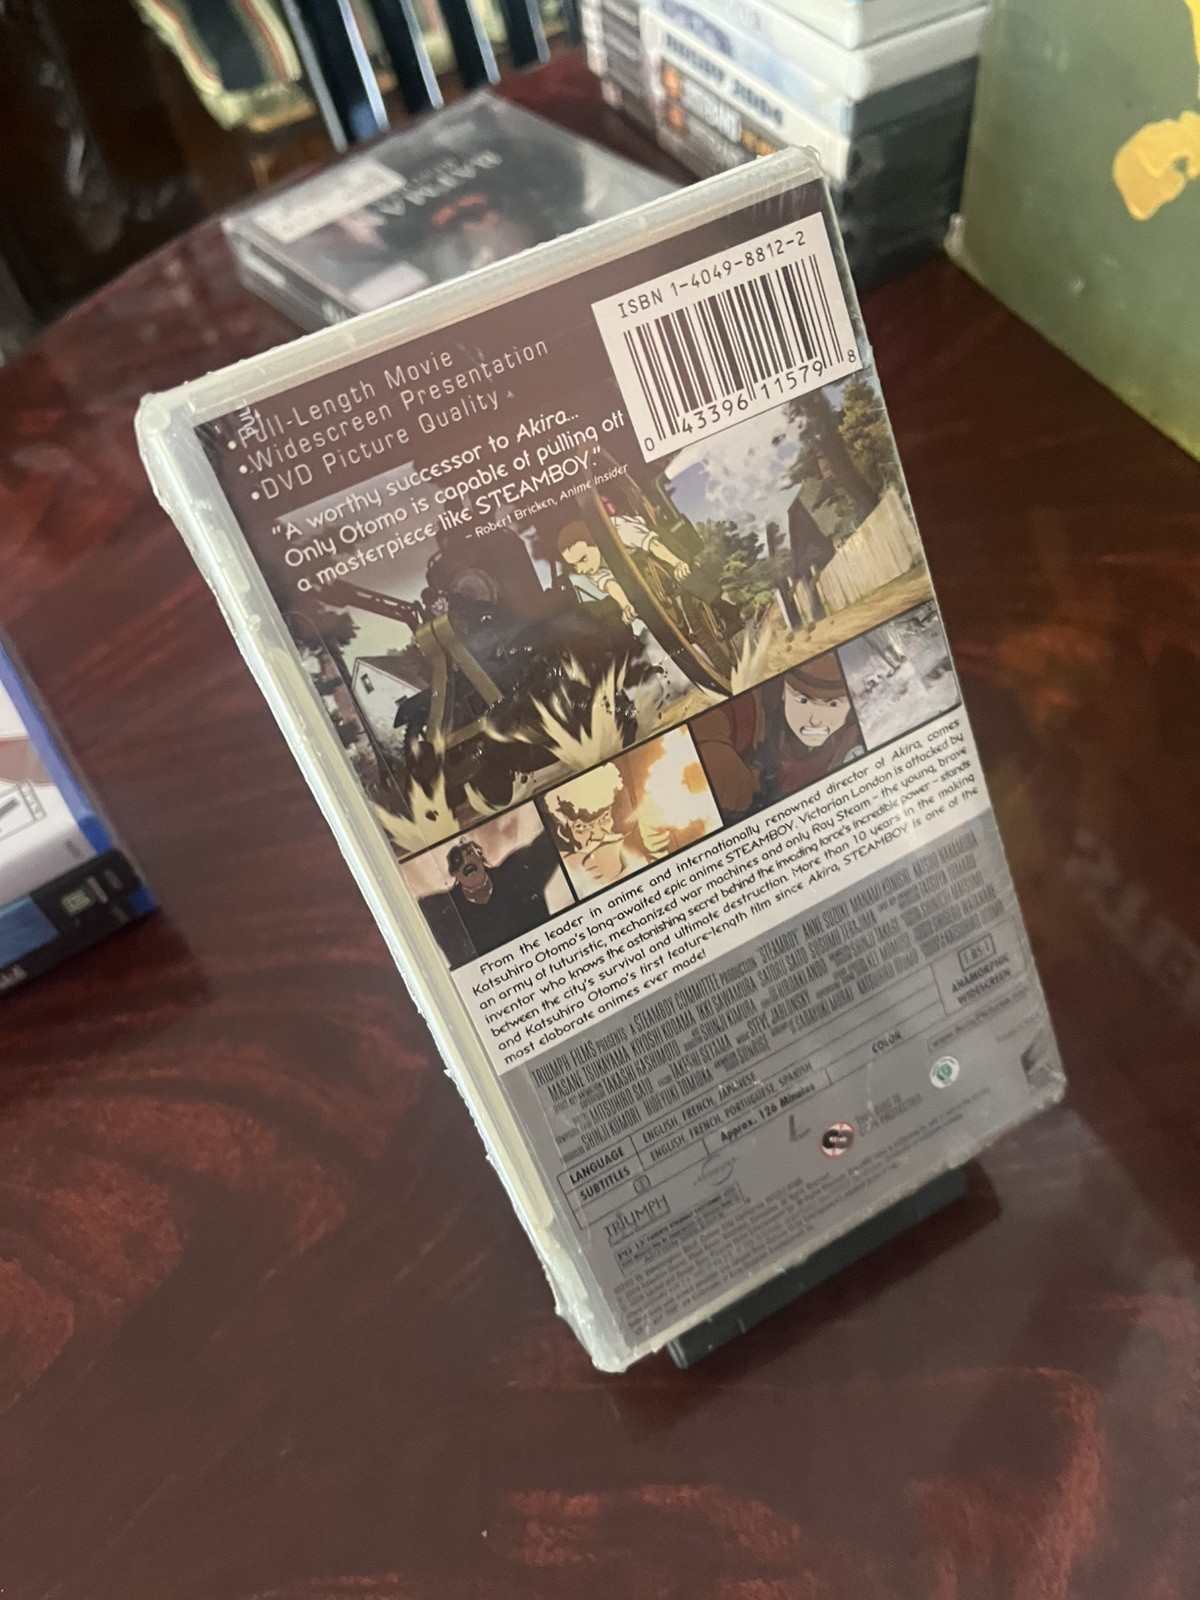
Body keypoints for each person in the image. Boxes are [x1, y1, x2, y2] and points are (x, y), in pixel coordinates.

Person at [693, 653, 865, 820]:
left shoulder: (859, 734)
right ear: (784, 692)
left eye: (833, 704)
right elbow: (716, 718)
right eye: (802, 700)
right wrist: (714, 748)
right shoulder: (759, 711)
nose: (815, 720)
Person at [418, 832, 561, 966]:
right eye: (457, 861)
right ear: (454, 872)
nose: (465, 861)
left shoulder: (516, 872)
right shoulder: (443, 911)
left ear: (480, 857)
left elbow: (551, 840)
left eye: (469, 853)